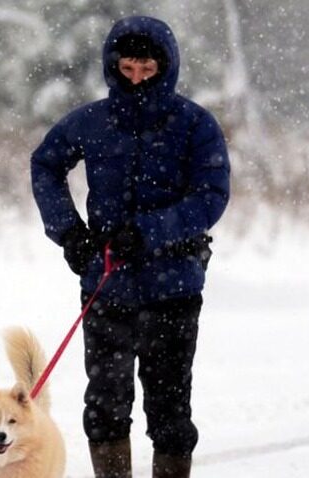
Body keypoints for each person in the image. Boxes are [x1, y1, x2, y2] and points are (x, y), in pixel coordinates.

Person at [30, 16, 230, 478]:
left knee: (170, 414)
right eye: (127, 69)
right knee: (103, 408)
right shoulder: (92, 122)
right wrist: (70, 233)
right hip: (106, 289)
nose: (136, 78)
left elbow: (210, 197)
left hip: (174, 290)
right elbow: (45, 165)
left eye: (146, 69)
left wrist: (148, 231)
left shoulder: (195, 125)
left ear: (166, 66)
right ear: (112, 66)